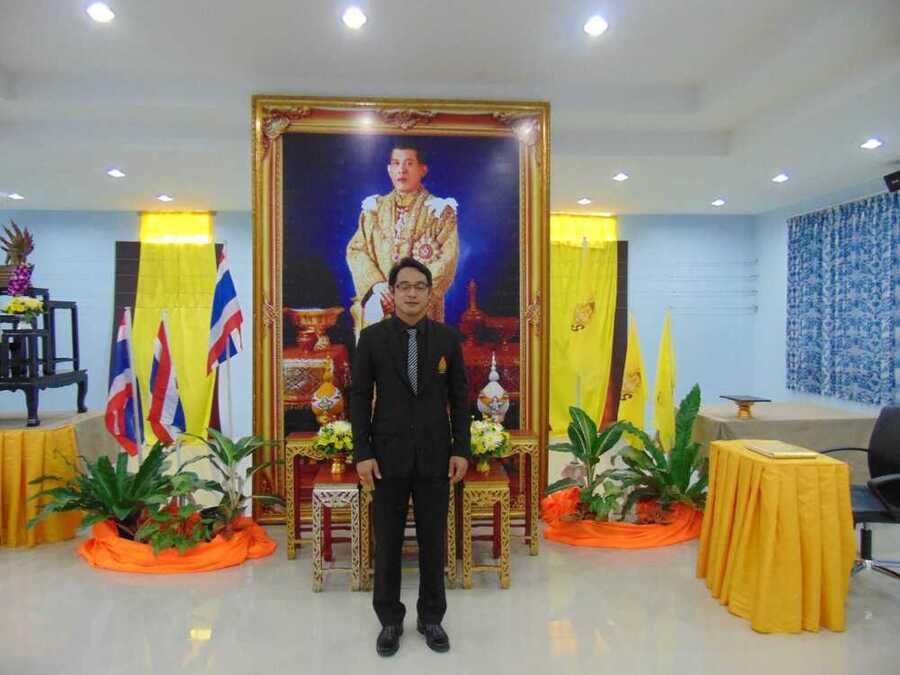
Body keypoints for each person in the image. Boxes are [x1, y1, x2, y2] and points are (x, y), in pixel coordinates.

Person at [350, 257, 470, 657]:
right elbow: (359, 397)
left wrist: (461, 449)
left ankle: (431, 617)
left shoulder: (447, 339)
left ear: (430, 292)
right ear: (393, 292)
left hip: (436, 457)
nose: (412, 293)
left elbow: (460, 398)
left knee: (433, 541)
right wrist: (363, 453)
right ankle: (389, 620)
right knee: (387, 542)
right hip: (386, 458)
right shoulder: (372, 339)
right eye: (404, 286)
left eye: (420, 286)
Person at [346, 143, 459, 326]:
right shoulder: (374, 209)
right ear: (389, 169)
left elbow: (446, 261)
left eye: (409, 163)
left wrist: (407, 295)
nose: (402, 170)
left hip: (419, 310)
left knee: (415, 344)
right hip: (380, 302)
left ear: (423, 170)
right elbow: (357, 250)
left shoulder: (439, 211)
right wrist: (377, 286)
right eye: (396, 163)